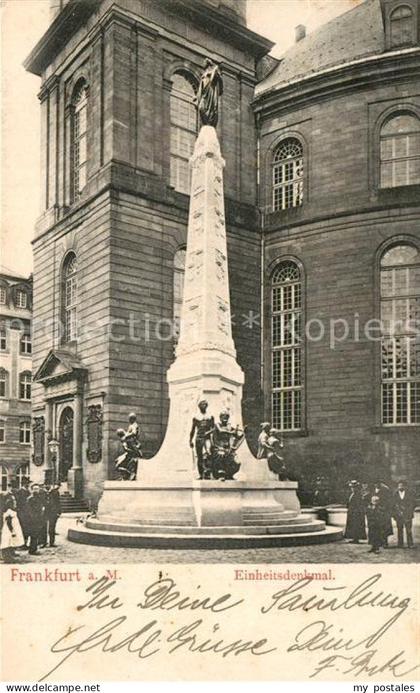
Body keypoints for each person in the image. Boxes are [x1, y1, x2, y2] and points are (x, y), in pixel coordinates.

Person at [211, 411, 244, 481]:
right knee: (221, 455)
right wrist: (231, 432)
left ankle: (229, 475)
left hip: (228, 449)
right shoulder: (217, 425)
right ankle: (221, 475)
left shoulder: (229, 427)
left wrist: (243, 434)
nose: (225, 418)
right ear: (220, 418)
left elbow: (237, 436)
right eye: (223, 416)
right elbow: (221, 431)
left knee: (237, 462)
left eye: (226, 416)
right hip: (218, 448)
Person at [189, 400, 214, 480]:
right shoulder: (196, 417)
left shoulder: (210, 417)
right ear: (199, 406)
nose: (203, 406)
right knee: (200, 457)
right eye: (202, 405)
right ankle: (201, 474)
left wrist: (208, 433)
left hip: (207, 439)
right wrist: (190, 440)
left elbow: (213, 428)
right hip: (199, 439)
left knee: (208, 455)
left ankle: (208, 473)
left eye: (205, 405)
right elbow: (192, 430)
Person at [194, 58, 223, 127]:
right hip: (204, 95)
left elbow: (220, 83)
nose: (203, 64)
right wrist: (197, 97)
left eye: (204, 62)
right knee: (201, 108)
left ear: (207, 64)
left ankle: (209, 123)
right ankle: (207, 124)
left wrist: (217, 74)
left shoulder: (213, 72)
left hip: (210, 92)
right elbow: (201, 88)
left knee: (210, 111)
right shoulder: (203, 76)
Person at [392, 480, 416, 548]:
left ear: (405, 486)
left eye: (402, 486)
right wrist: (397, 512)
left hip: (408, 514)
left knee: (408, 529)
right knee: (399, 529)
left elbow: (413, 503)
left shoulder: (410, 493)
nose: (400, 487)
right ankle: (400, 544)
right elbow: (393, 504)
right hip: (399, 515)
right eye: (399, 486)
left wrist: (408, 511)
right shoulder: (395, 493)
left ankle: (410, 544)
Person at [1, 496, 24, 561]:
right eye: (14, 501)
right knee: (7, 542)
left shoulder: (12, 510)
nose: (15, 502)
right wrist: (12, 531)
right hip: (8, 529)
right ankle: (7, 557)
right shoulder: (9, 511)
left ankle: (11, 553)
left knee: (11, 541)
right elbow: (9, 522)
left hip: (12, 528)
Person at [373, 480, 393, 547]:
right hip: (375, 511)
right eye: (375, 483)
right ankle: (379, 541)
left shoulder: (385, 491)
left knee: (384, 527)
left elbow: (388, 501)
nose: (376, 485)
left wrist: (384, 507)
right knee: (377, 527)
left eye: (377, 483)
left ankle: (385, 542)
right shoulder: (373, 490)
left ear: (380, 484)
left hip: (383, 511)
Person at [26, 484, 45, 556]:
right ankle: (32, 550)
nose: (36, 490)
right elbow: (29, 510)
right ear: (32, 490)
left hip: (39, 519)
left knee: (36, 534)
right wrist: (34, 518)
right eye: (34, 489)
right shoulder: (30, 499)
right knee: (33, 535)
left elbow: (41, 507)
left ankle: (34, 548)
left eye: (37, 489)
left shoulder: (39, 498)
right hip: (32, 520)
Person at [14, 477, 31, 549]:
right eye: (27, 483)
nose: (28, 485)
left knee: (27, 528)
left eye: (28, 483)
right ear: (24, 484)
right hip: (22, 513)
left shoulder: (28, 491)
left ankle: (25, 543)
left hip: (27, 513)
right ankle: (21, 544)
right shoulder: (20, 492)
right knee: (22, 528)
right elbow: (19, 503)